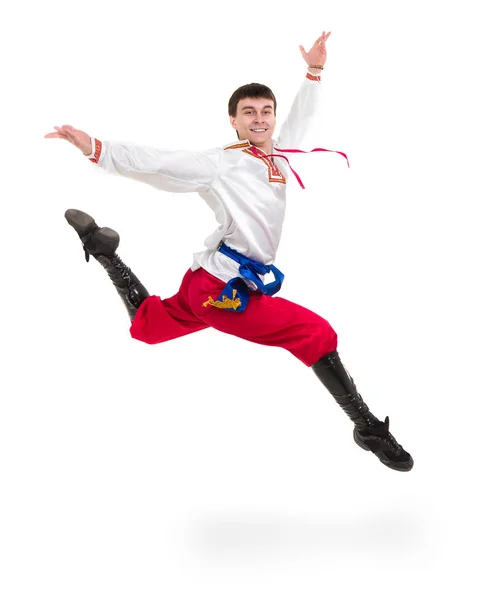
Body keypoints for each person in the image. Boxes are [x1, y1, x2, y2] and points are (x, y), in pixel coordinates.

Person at [45, 32, 413, 472]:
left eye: (265, 112)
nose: (259, 119)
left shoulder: (280, 155)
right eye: (248, 113)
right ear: (233, 121)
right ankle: (368, 428)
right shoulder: (222, 161)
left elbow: (301, 124)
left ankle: (103, 250)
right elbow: (161, 161)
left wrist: (314, 73)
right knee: (315, 332)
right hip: (220, 291)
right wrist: (98, 149)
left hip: (213, 281)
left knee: (148, 328)